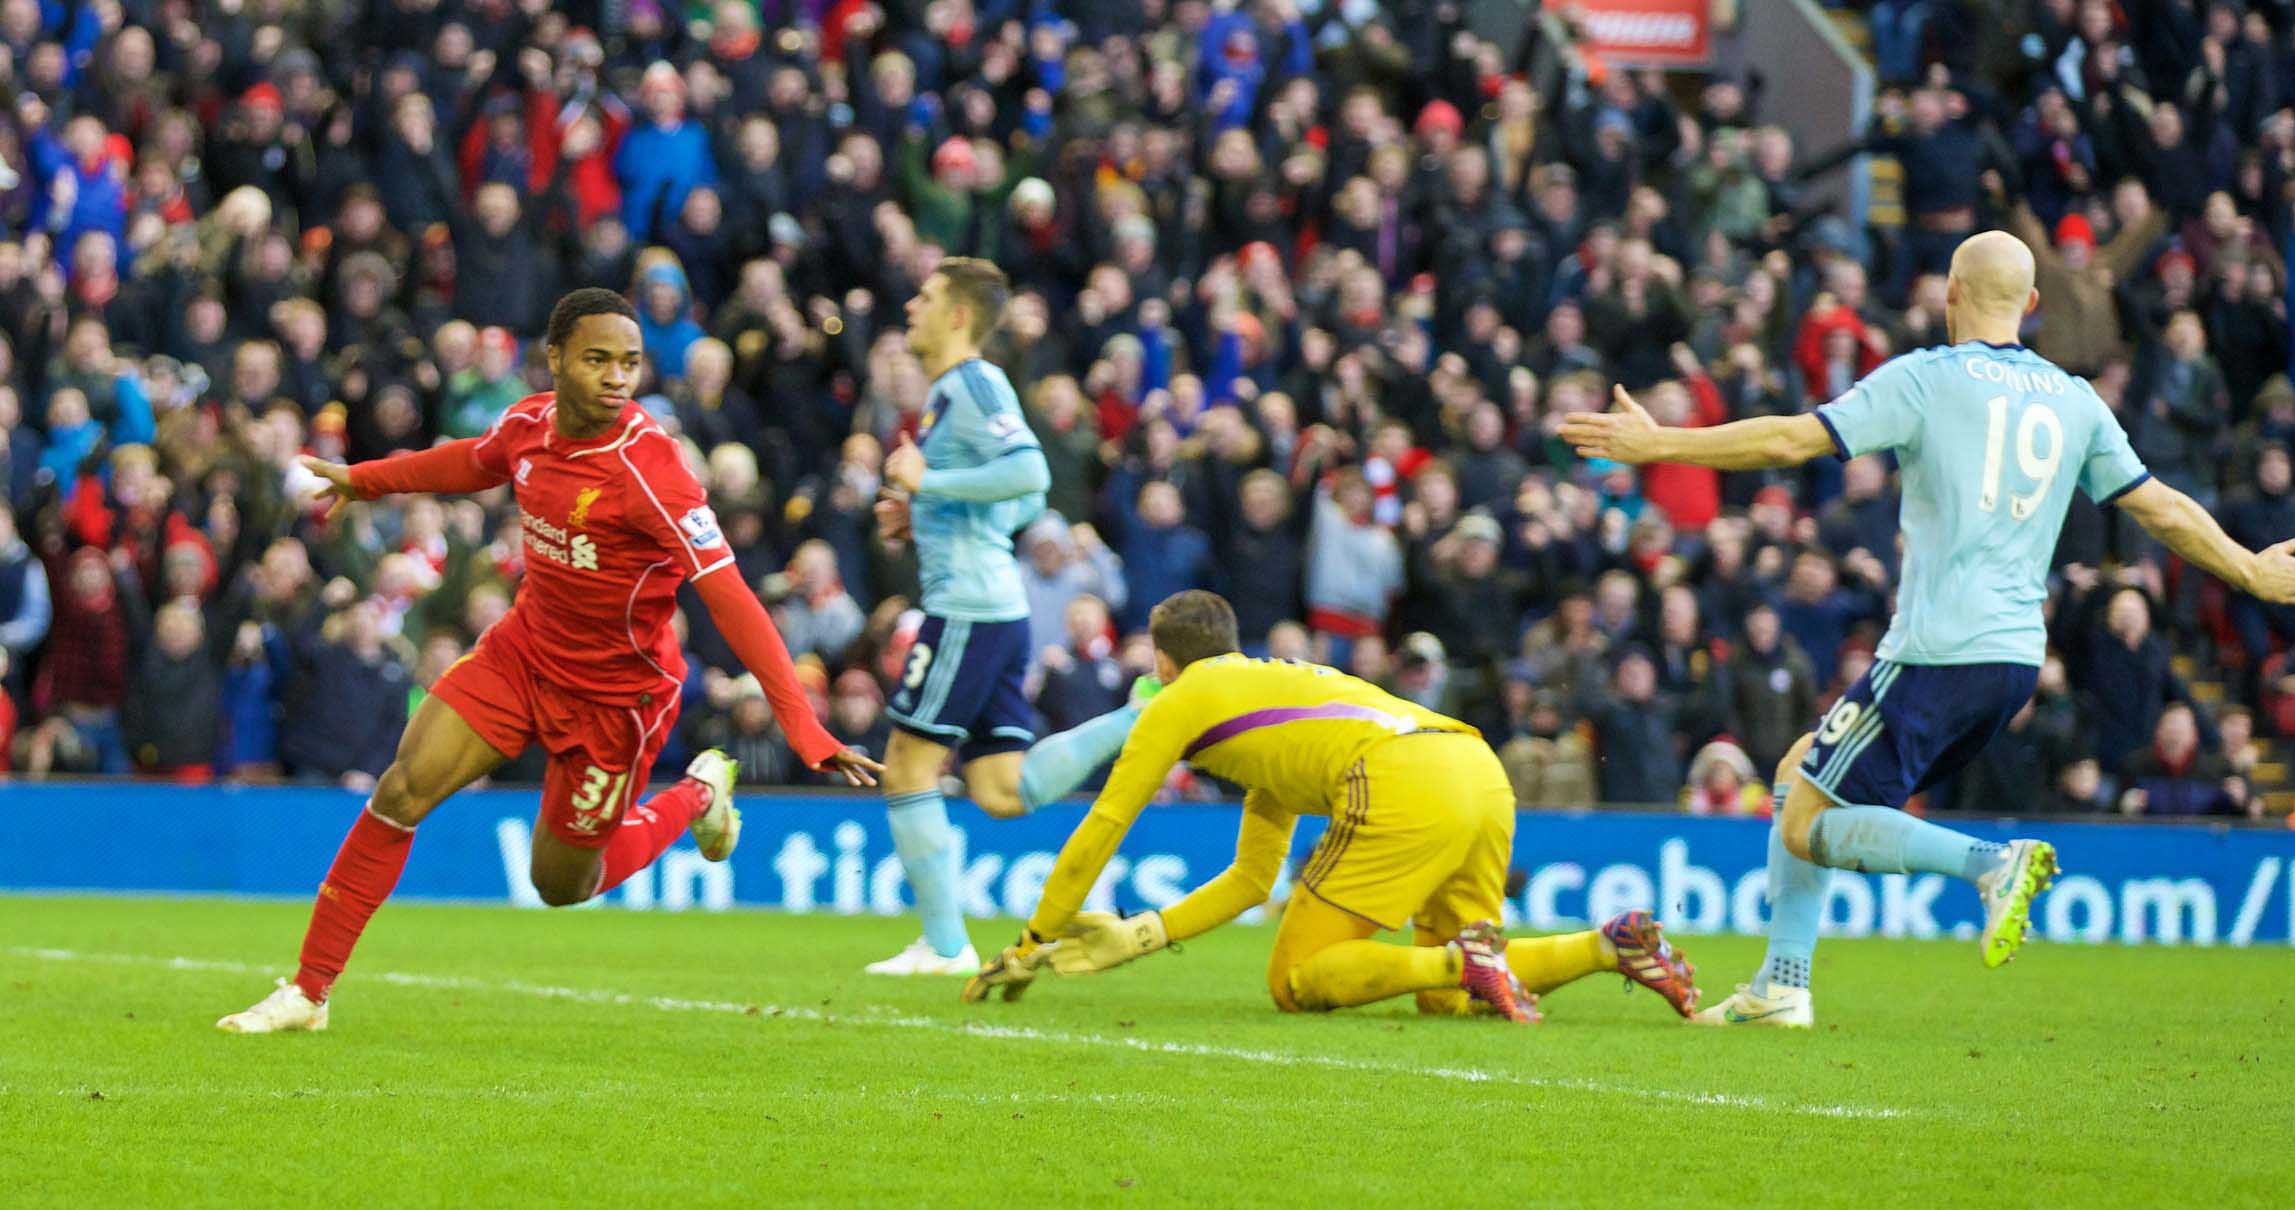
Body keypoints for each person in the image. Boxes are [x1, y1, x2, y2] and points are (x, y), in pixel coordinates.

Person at [1563, 228, 2295, 1028]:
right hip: (2013, 662)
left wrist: (1661, 443)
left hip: (1936, 648)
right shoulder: (2076, 398)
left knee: (1801, 819)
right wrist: (2249, 567)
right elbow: (2161, 507)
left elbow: (1794, 439)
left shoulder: (1926, 380)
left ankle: (1986, 867)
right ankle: (1781, 984)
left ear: (1950, 296)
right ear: (2033, 305)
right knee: (1802, 770)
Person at [217, 290, 882, 1034]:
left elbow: (730, 598)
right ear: (556, 358)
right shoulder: (530, 422)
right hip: (524, 655)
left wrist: (802, 723)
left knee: (563, 884)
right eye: (597, 359)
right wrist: (366, 479)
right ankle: (309, 993)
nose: (617, 378)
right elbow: (472, 462)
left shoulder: (652, 470)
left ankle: (696, 797)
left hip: (615, 700)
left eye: (629, 363)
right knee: (400, 791)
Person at [957, 590, 1699, 1024]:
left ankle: (1462, 956)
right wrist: (1142, 935)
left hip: (1404, 779)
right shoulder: (1271, 700)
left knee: (1296, 980)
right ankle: (1610, 946)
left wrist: (1029, 945)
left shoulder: (1179, 701)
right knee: (1448, 999)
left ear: (1160, 662)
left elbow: (1104, 826)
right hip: (1477, 769)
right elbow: (1252, 879)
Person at [866, 258, 1152, 976]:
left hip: (967, 607)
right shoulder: (950, 393)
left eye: (925, 298)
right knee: (999, 789)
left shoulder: (971, 382)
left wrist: (931, 482)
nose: (911, 308)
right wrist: (926, 507)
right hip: (992, 606)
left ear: (958, 315)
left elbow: (1031, 476)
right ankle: (1139, 718)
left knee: (906, 767)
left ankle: (943, 945)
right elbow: (1019, 507)